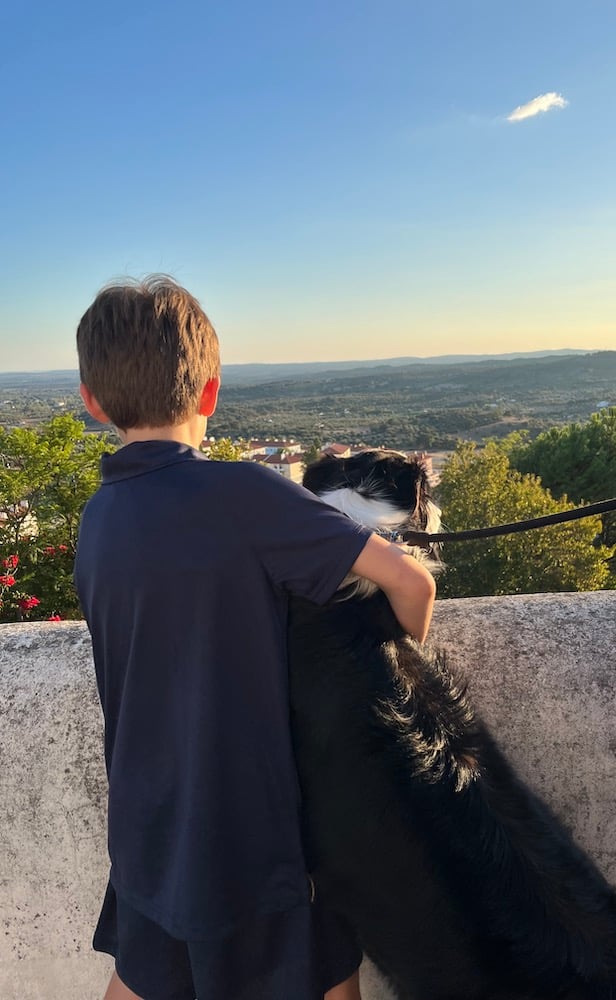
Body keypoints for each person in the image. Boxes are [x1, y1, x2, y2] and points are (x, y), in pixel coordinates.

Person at [74, 275, 436, 1000]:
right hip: (260, 829)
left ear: (92, 401)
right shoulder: (248, 495)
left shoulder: (97, 519)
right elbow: (411, 584)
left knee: (143, 977)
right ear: (209, 393)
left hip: (148, 821)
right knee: (328, 980)